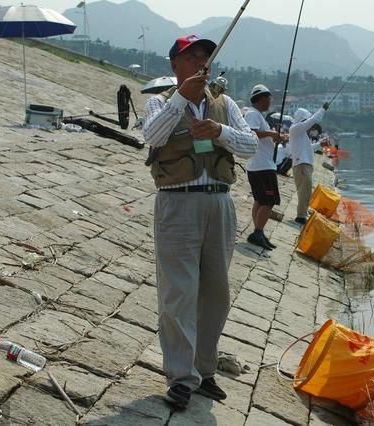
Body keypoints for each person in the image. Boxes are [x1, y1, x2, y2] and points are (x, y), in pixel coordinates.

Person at [142, 34, 258, 410]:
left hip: (219, 205)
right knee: (178, 292)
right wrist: (181, 101)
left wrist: (219, 132)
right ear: (175, 64)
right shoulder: (159, 102)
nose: (201, 64)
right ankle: (180, 376)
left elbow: (251, 145)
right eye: (193, 58)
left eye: (206, 58)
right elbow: (152, 136)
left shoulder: (225, 105)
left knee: (216, 293)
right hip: (177, 204)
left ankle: (205, 369)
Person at [244, 84, 287, 250]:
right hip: (262, 166)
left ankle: (258, 232)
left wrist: (274, 136)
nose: (270, 102)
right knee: (269, 201)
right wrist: (271, 134)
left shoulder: (258, 115)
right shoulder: (253, 114)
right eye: (269, 99)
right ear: (261, 99)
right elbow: (252, 133)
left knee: (260, 200)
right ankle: (258, 232)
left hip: (259, 165)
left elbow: (262, 136)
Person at [289, 102, 330, 224]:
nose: (310, 125)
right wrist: (323, 109)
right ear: (303, 119)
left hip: (304, 164)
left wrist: (320, 144)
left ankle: (303, 212)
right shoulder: (296, 128)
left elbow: (307, 148)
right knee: (304, 191)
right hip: (302, 165)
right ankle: (301, 216)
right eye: (306, 120)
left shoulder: (300, 134)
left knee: (305, 191)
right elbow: (314, 119)